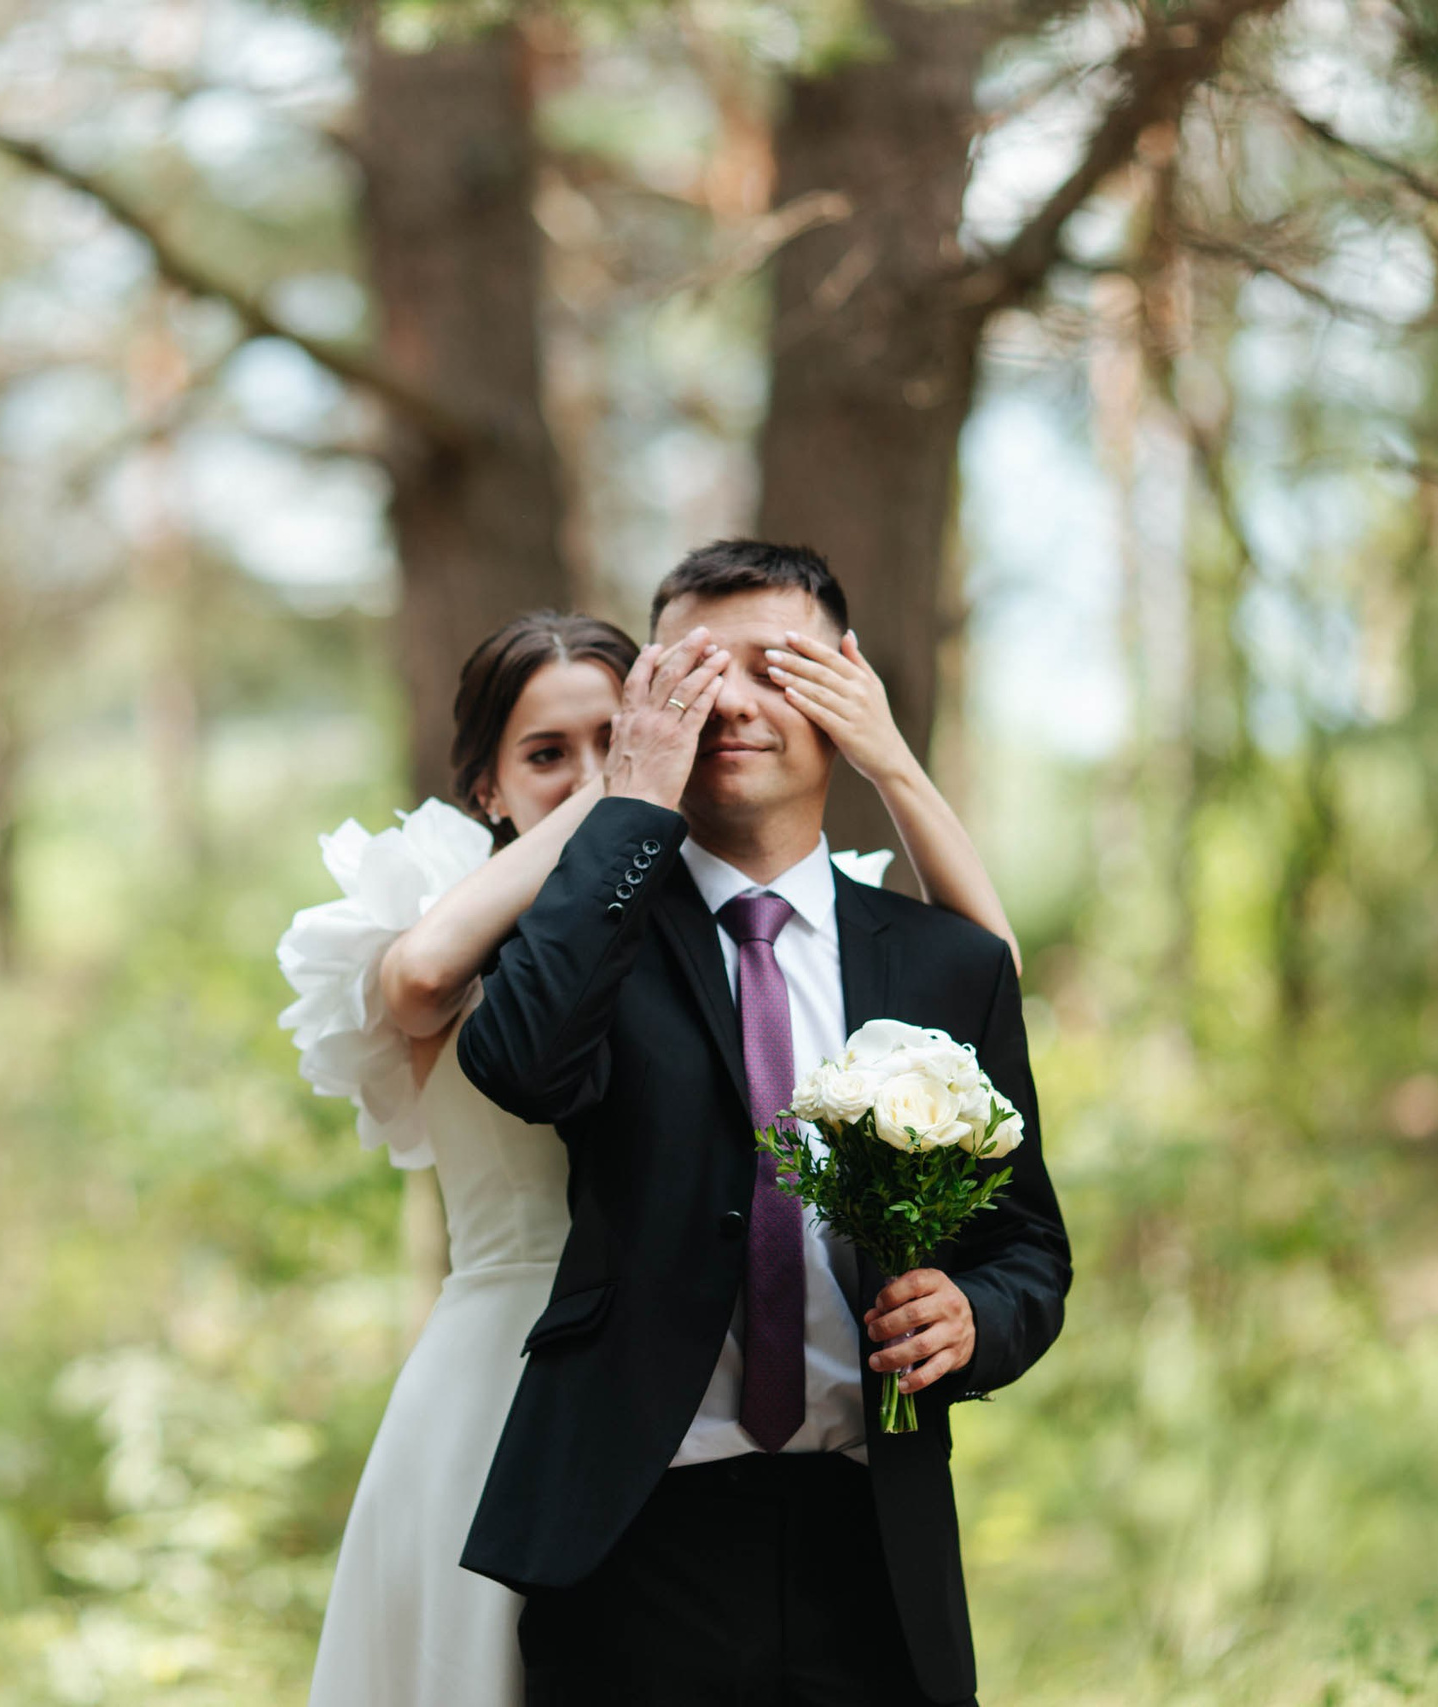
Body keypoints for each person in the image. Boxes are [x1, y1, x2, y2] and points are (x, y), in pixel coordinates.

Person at [278, 585, 1021, 1707]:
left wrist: (890, 766)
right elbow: (426, 983)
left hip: (714, 1431)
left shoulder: (696, 919)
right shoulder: (459, 912)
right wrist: (623, 795)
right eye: (545, 754)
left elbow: (982, 976)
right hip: (507, 1380)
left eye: (606, 735)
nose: (582, 771)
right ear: (483, 782)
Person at [452, 539, 1074, 1707]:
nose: (730, 700)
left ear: (841, 691)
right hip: (635, 1537)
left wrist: (971, 1319)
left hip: (874, 1541)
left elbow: (1028, 1249)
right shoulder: (593, 942)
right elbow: (518, 1064)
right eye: (691, 671)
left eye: (770, 667)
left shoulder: (945, 963)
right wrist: (632, 789)